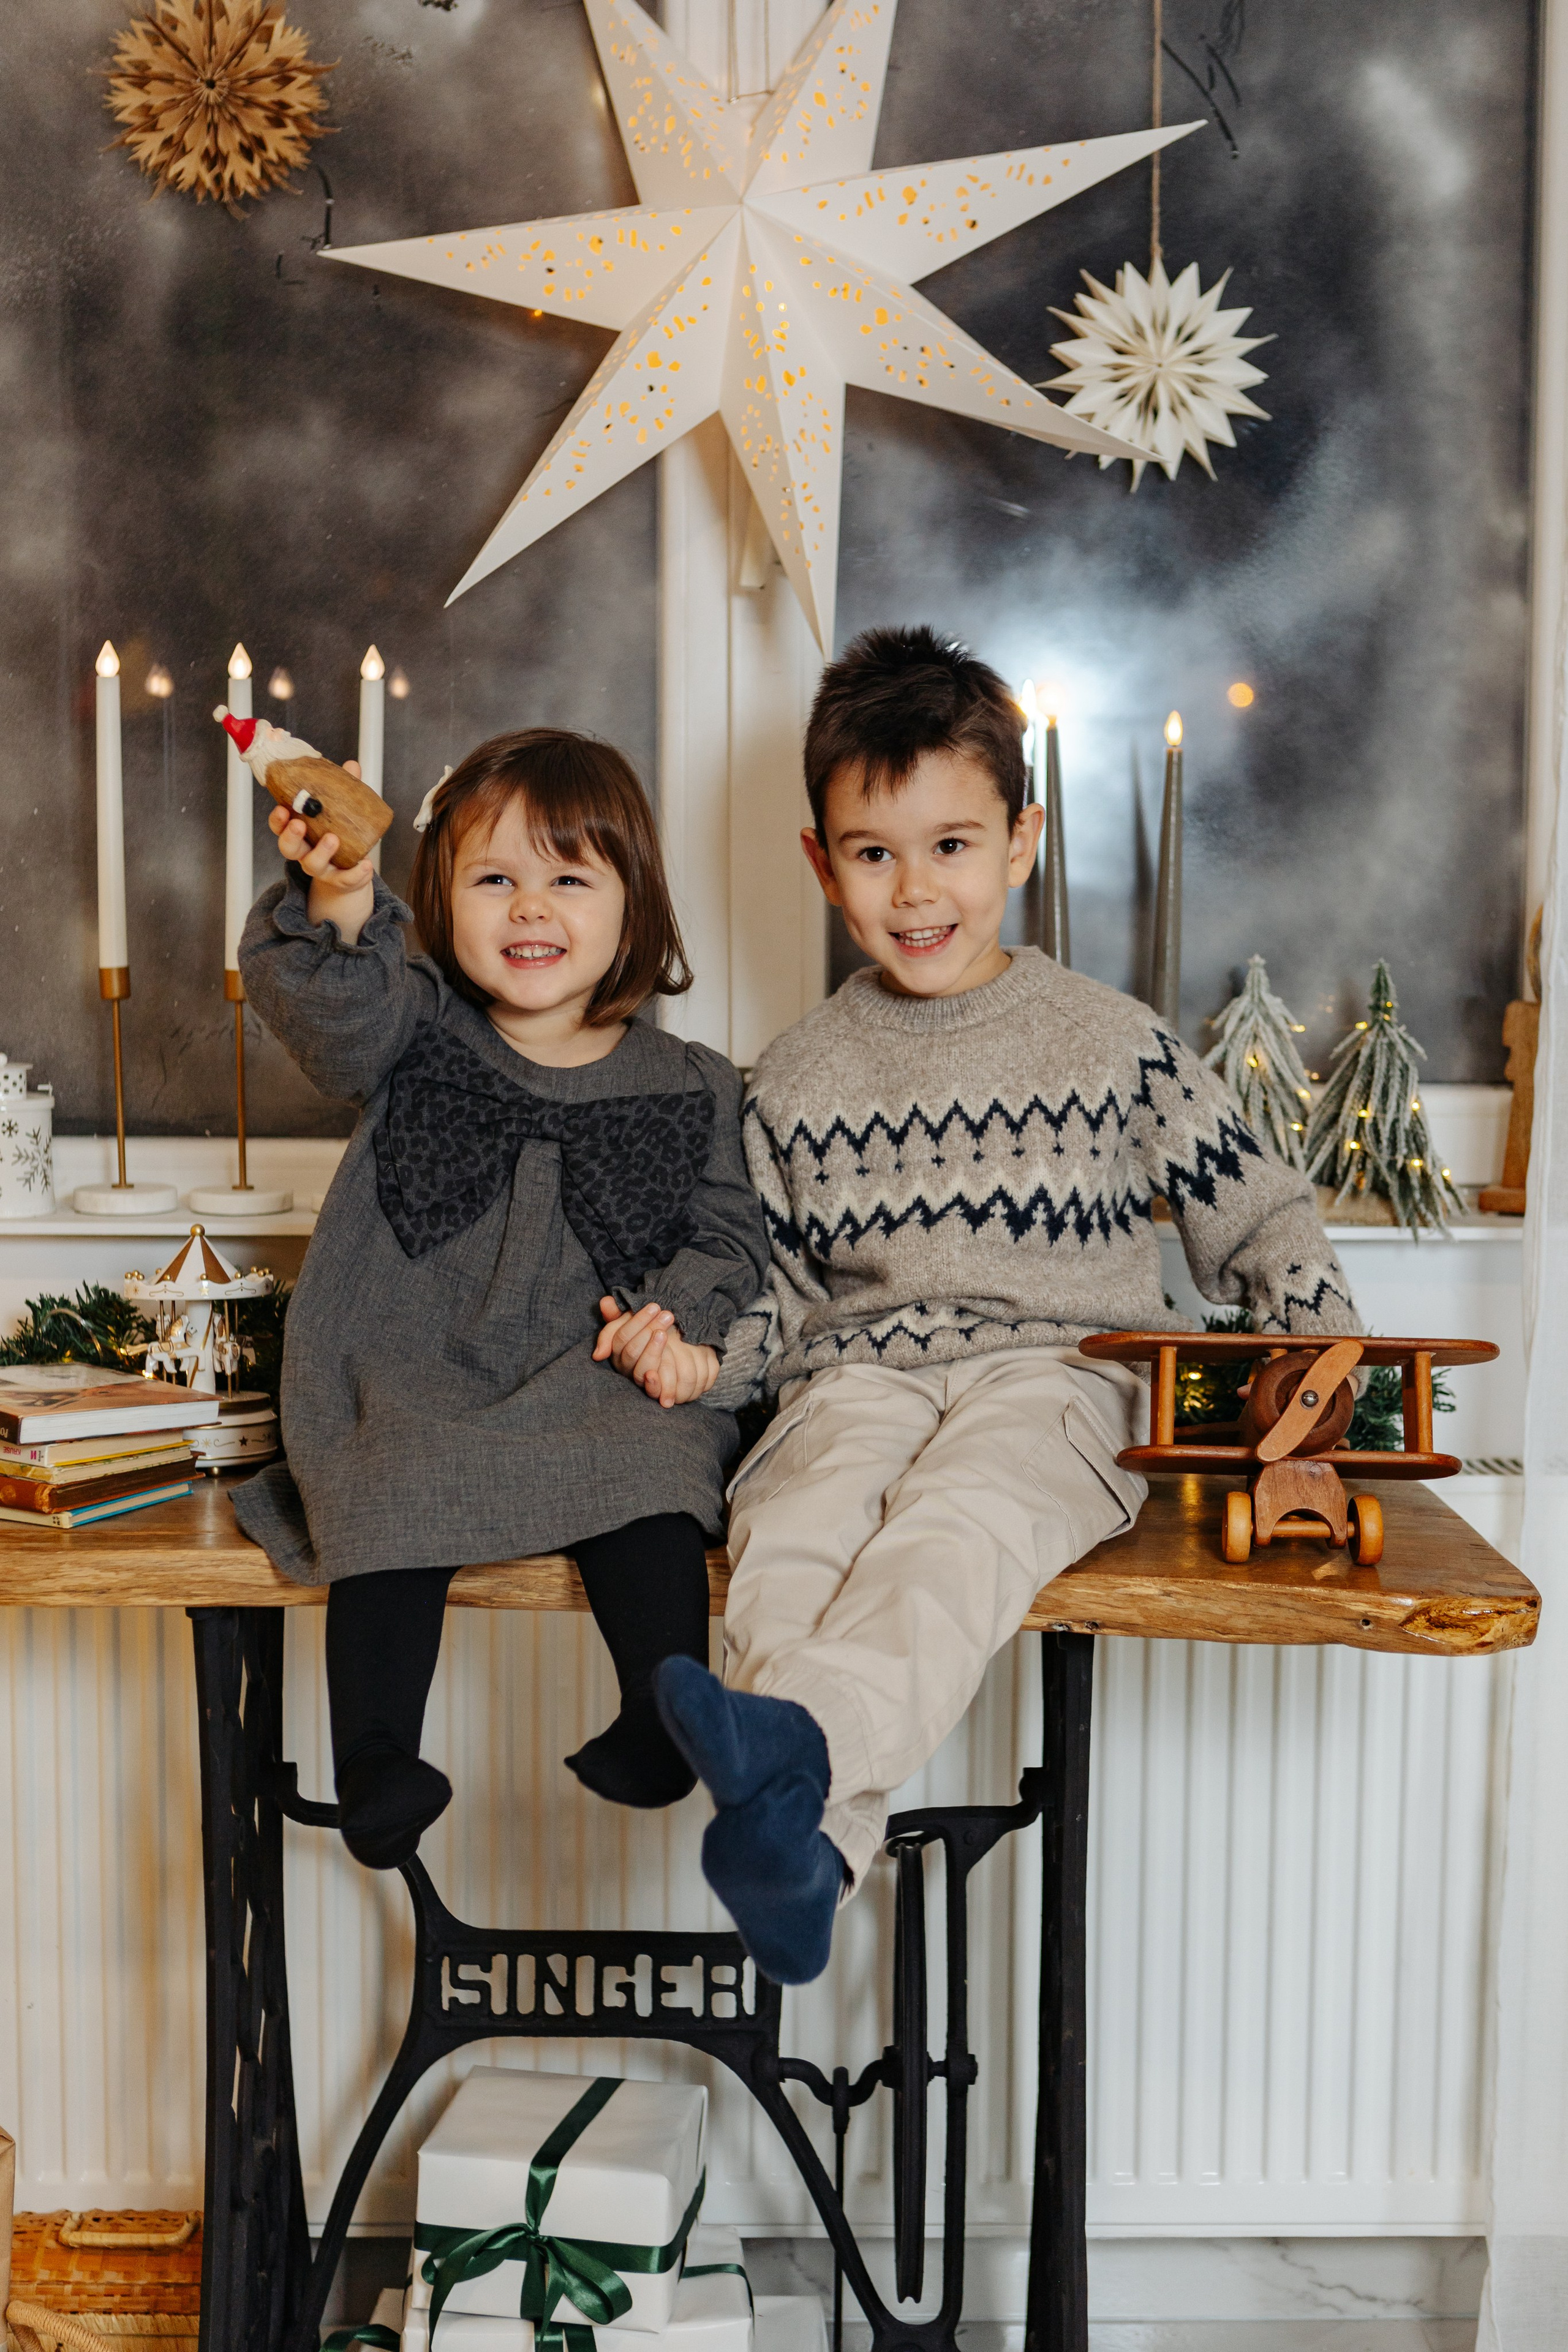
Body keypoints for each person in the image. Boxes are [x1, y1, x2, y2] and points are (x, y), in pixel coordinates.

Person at [652, 625, 1360, 1985]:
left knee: (955, 1525)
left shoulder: (1106, 1039)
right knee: (791, 1530)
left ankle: (797, 1782)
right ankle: (803, 1855)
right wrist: (698, 1362)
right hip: (850, 1377)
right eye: (872, 852)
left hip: (1058, 1372)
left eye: (951, 846)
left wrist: (1327, 1371)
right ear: (821, 865)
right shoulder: (792, 1077)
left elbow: (1255, 1213)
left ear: (1020, 842)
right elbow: (771, 1288)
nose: (915, 889)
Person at [235, 728, 767, 1868]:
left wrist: (674, 1325)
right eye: (494, 879)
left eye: (569, 877)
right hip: (417, 1361)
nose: (531, 908)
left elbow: (729, 1234)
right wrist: (338, 899)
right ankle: (376, 1756)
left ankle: (661, 1711)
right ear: (442, 899)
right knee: (387, 1467)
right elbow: (332, 1019)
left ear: (637, 906)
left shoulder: (693, 1083)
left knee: (659, 1461)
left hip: (594, 1370)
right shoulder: (413, 1028)